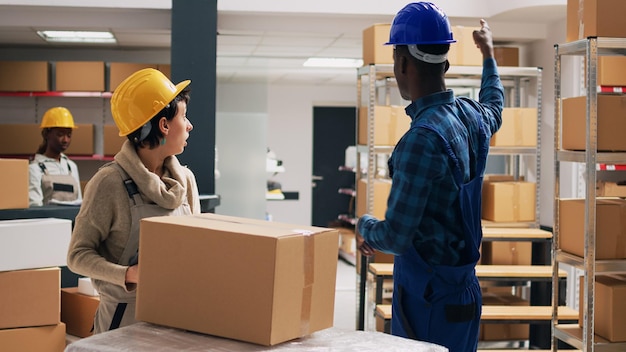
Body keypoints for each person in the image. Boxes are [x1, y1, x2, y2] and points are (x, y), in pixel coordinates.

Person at [355, 3, 503, 352]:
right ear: (445, 64)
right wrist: (489, 55)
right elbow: (495, 105)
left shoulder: (419, 141)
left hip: (429, 300)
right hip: (465, 293)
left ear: (403, 64)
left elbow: (397, 236)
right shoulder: (471, 116)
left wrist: (363, 225)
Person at [67, 68, 201, 334]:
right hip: (123, 323)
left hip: (176, 317)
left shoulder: (186, 180)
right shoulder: (109, 183)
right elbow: (77, 256)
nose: (189, 126)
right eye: (183, 117)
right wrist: (129, 274)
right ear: (163, 125)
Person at [28, 106, 82, 207]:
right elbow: (34, 206)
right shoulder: (34, 169)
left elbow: (79, 202)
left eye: (69, 135)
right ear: (46, 134)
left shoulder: (71, 166)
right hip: (47, 222)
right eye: (60, 134)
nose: (65, 140)